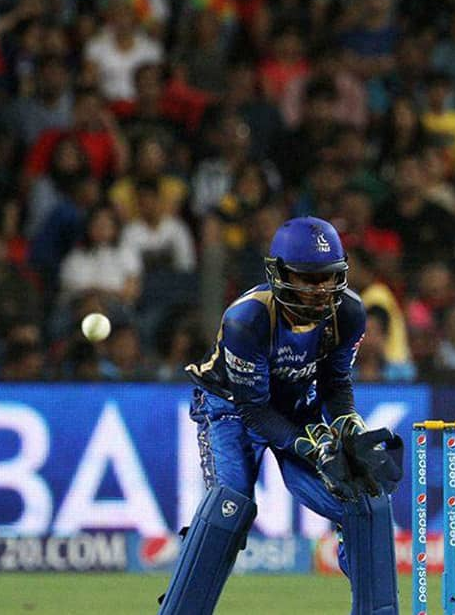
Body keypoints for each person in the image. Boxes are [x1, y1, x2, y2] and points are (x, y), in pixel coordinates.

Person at [158, 217, 402, 615]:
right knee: (230, 506)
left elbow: (335, 386)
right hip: (229, 407)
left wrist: (347, 426)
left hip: (295, 404)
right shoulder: (247, 320)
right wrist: (308, 444)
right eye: (307, 278)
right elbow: (253, 409)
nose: (320, 289)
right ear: (280, 273)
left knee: (363, 498)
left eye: (327, 277)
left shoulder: (350, 313)